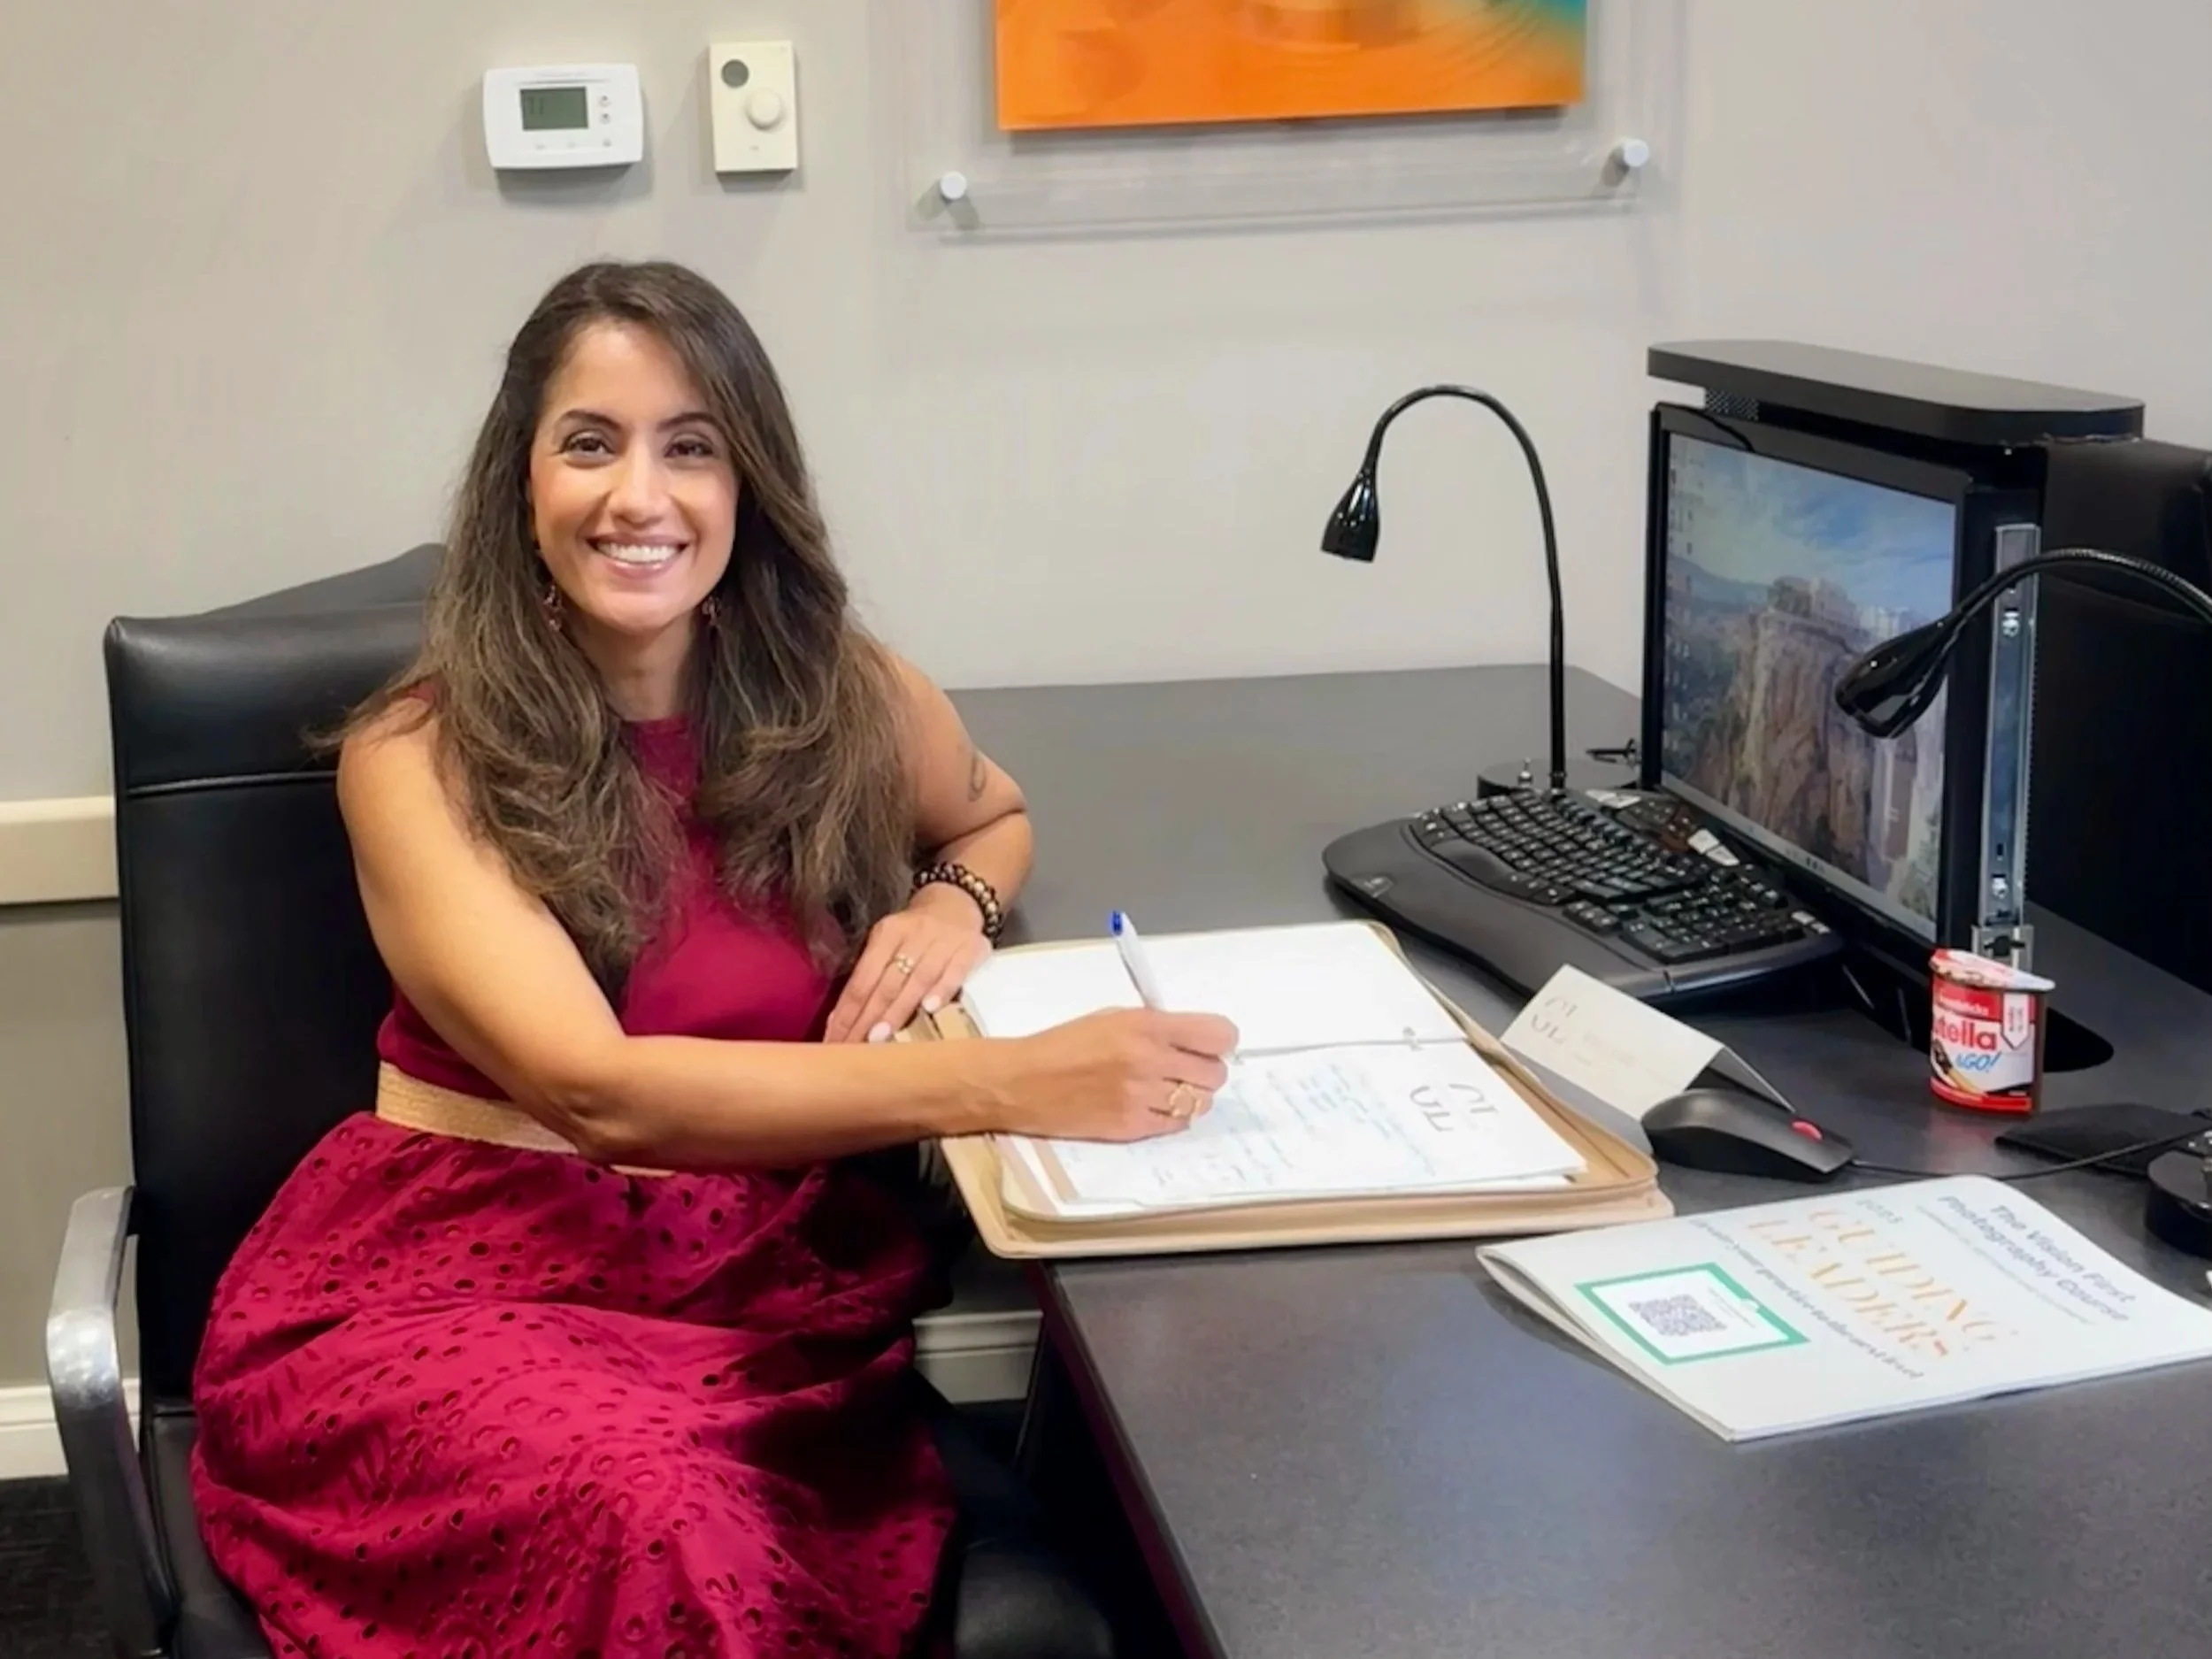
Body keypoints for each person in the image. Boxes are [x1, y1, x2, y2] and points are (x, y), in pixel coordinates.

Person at [187, 258, 1238, 1659]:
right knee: (653, 1513)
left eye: (691, 446)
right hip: (461, 1270)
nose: (640, 496)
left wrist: (951, 905)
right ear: (523, 484)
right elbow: (599, 1090)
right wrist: (1007, 1081)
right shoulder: (420, 753)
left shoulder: (841, 696)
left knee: (704, 1512)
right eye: (589, 444)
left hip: (755, 1284)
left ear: (748, 484)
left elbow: (993, 811)